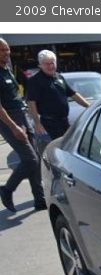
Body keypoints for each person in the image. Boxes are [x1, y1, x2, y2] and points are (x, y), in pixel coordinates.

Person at [0, 38, 46, 213]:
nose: (7, 53)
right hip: (8, 120)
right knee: (30, 160)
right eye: (3, 50)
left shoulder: (7, 69)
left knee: (34, 158)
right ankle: (6, 190)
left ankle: (39, 199)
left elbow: (14, 95)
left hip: (21, 116)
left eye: (8, 49)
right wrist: (14, 127)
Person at [26, 49, 90, 140]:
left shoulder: (59, 77)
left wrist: (89, 106)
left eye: (52, 63)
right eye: (47, 64)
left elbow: (73, 94)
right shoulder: (35, 81)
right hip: (49, 124)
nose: (51, 66)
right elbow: (31, 103)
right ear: (40, 65)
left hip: (64, 121)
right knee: (55, 148)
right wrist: (37, 124)